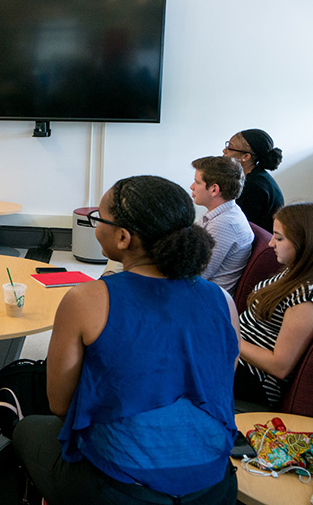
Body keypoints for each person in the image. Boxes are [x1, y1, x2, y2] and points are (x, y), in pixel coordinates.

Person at [13, 176, 240, 505]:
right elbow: (218, 383)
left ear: (122, 237)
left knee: (26, 430)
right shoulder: (222, 299)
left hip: (120, 489)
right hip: (214, 485)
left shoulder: (87, 299)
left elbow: (60, 405)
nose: (94, 227)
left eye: (98, 219)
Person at [235, 203, 313, 407]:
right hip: (240, 359)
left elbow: (280, 366)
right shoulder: (293, 270)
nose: (270, 244)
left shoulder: (306, 295)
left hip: (255, 379)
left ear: (302, 242)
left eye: (279, 238)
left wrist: (228, 337)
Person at [190, 156, 254, 294]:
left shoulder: (225, 225)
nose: (192, 186)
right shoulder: (222, 213)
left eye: (197, 182)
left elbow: (195, 275)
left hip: (205, 299)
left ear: (214, 189)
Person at [223, 128, 284, 232]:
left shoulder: (254, 185)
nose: (224, 151)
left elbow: (241, 226)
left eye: (230, 148)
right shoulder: (255, 175)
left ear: (246, 157)